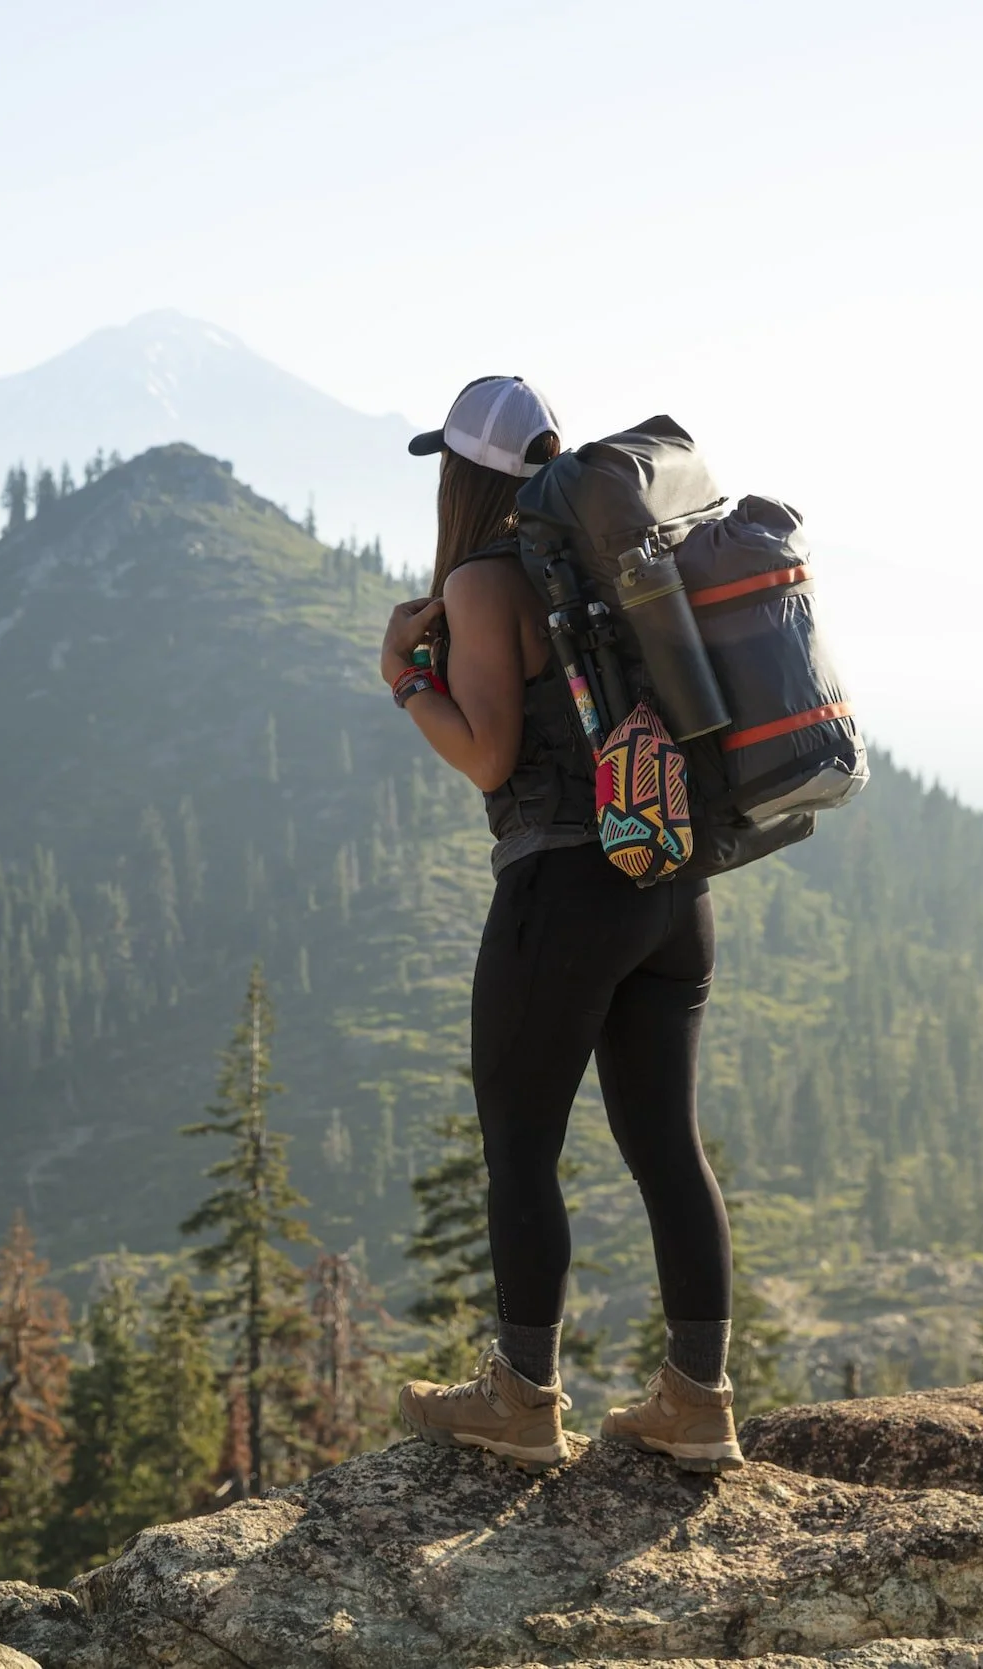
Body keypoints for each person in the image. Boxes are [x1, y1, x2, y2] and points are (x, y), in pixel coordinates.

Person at [383, 376, 742, 1474]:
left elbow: (490, 755)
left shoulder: (487, 581)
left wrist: (404, 680)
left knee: (521, 1146)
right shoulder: (612, 561)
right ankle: (696, 1400)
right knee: (665, 1149)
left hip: (565, 888)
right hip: (671, 880)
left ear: (462, 472)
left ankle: (524, 1399)